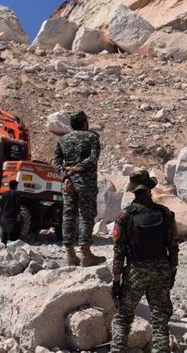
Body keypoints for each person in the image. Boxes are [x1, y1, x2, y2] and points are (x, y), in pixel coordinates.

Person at [111, 169, 179, 353]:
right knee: (160, 318)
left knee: (123, 316)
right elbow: (173, 246)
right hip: (161, 269)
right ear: (149, 189)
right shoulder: (165, 213)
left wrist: (116, 280)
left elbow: (119, 251)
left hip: (135, 272)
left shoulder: (125, 216)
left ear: (133, 191)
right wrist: (172, 270)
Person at [53, 110, 106, 267]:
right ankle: (85, 254)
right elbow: (93, 158)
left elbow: (56, 163)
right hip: (86, 183)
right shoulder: (92, 137)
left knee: (68, 215)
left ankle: (70, 255)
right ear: (84, 123)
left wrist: (65, 176)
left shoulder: (62, 140)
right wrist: (78, 168)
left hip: (69, 184)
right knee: (85, 215)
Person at [0, 180, 21, 245]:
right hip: (11, 215)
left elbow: (2, 205)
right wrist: (18, 214)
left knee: (4, 232)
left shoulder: (4, 193)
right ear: (16, 186)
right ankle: (11, 246)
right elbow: (17, 205)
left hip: (4, 215)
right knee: (13, 232)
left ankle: (3, 245)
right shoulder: (17, 194)